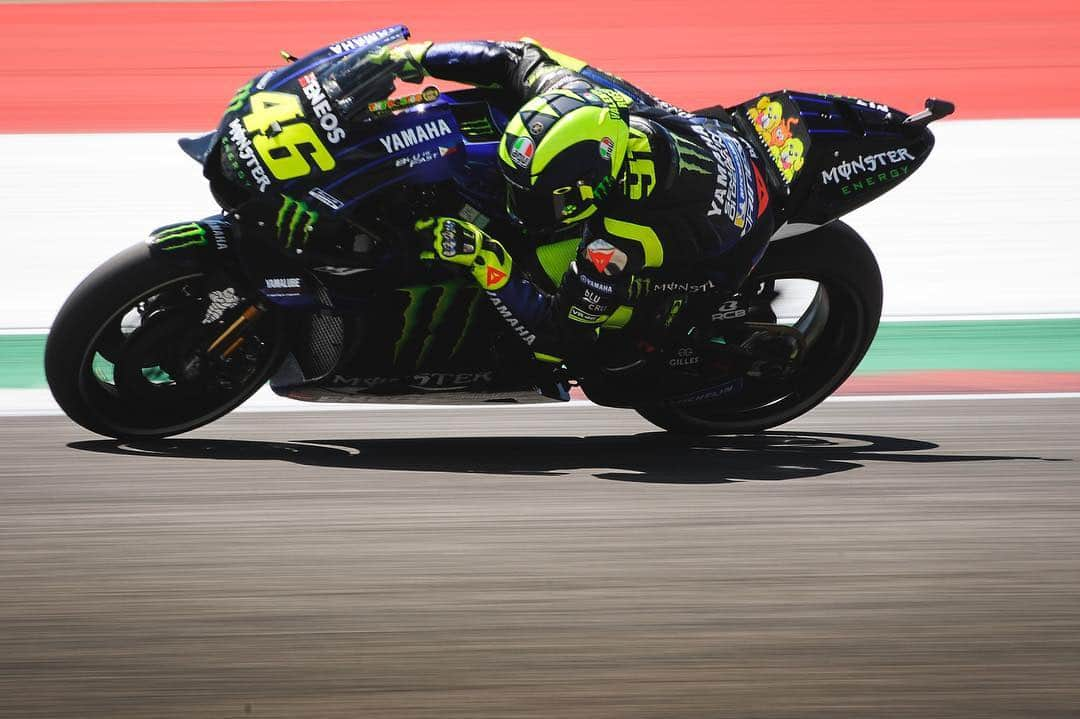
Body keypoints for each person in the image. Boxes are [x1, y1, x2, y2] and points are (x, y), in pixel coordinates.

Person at [385, 39, 781, 376]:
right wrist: (417, 55)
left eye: (542, 200)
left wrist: (487, 260)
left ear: (591, 188)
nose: (520, 205)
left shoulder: (618, 241)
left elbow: (558, 339)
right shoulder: (572, 92)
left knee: (540, 269)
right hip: (713, 139)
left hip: (722, 250)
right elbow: (513, 55)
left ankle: (659, 337)